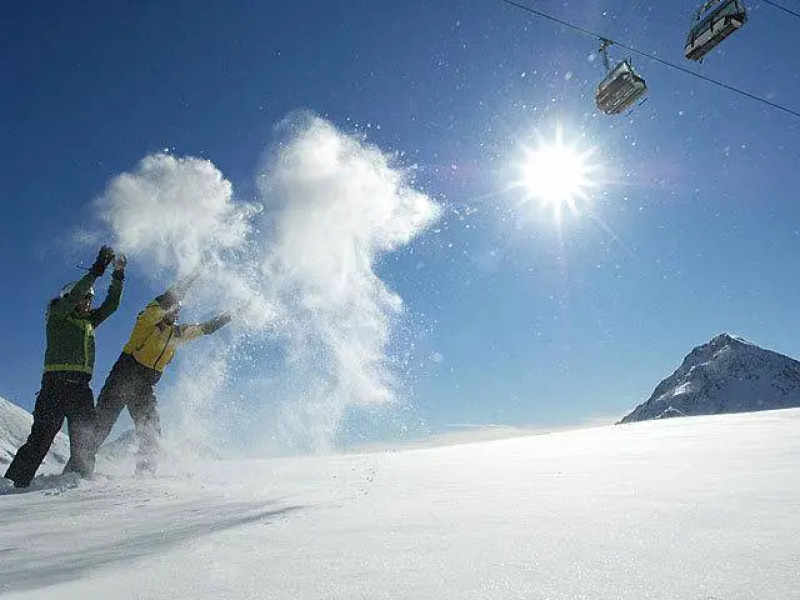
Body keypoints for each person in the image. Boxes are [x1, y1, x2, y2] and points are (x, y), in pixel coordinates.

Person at [88, 268, 238, 476]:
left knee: (151, 429)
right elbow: (166, 298)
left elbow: (205, 329)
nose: (175, 312)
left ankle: (145, 473)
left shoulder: (177, 334)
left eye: (178, 310)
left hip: (144, 386)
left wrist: (230, 316)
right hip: (122, 378)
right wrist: (192, 277)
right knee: (102, 423)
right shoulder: (147, 321)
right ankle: (79, 467)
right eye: (172, 308)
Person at [4, 246, 124, 488]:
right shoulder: (58, 316)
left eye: (90, 299)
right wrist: (96, 270)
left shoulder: (89, 322)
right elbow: (75, 294)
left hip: (81, 388)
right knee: (41, 438)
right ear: (72, 298)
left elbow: (111, 306)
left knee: (85, 439)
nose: (88, 303)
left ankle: (78, 483)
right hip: (55, 386)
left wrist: (118, 275)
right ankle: (12, 483)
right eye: (85, 298)